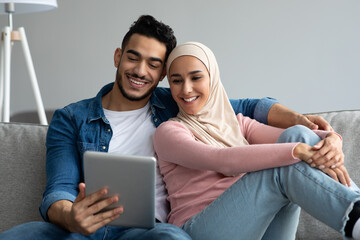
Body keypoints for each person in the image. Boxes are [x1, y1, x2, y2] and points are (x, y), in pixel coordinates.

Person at [0, 15, 335, 240]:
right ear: (118, 56)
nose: (140, 70)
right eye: (133, 57)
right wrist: (71, 216)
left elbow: (246, 107)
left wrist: (300, 120)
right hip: (82, 229)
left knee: (174, 238)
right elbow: (57, 190)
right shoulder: (71, 117)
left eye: (153, 64)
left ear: (162, 74)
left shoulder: (175, 100)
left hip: (150, 230)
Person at [153, 41, 360, 240]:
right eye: (177, 80)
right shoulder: (168, 132)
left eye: (196, 78)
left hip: (254, 229)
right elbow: (220, 160)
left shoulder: (238, 124)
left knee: (296, 133)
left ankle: (356, 203)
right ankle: (355, 218)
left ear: (213, 79)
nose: (186, 89)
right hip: (198, 229)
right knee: (284, 166)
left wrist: (333, 139)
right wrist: (297, 152)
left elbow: (296, 137)